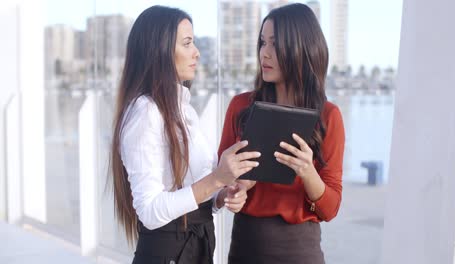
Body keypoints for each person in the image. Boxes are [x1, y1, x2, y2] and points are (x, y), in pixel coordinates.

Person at [110, 5, 261, 264]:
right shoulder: (145, 112)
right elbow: (149, 210)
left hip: (197, 246)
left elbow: (192, 192)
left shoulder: (183, 108)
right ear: (159, 51)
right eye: (187, 43)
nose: (197, 53)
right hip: (168, 252)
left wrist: (222, 195)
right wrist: (216, 179)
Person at [218, 3, 345, 264]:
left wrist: (307, 171)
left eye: (274, 44)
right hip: (245, 248)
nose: (264, 53)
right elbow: (221, 181)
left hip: (301, 252)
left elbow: (330, 209)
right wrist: (236, 189)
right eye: (263, 43)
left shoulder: (328, 117)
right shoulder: (241, 107)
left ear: (301, 47)